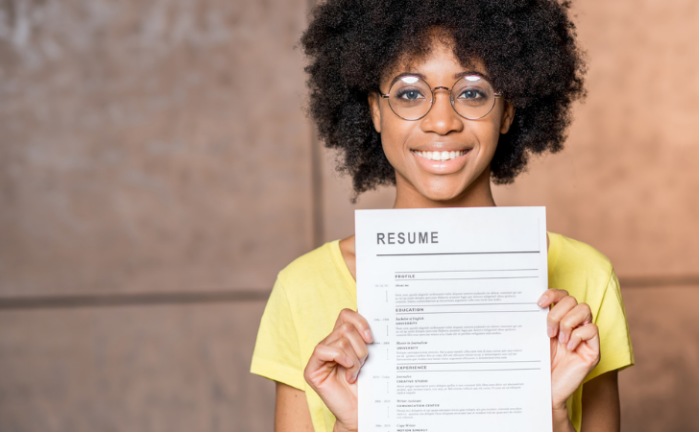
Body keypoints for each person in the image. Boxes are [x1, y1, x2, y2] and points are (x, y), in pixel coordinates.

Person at [251, 1, 634, 431]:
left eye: (471, 91)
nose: (441, 121)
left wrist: (552, 418)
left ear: (507, 110)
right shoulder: (303, 288)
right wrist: (355, 425)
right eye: (410, 92)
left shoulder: (587, 277)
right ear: (375, 111)